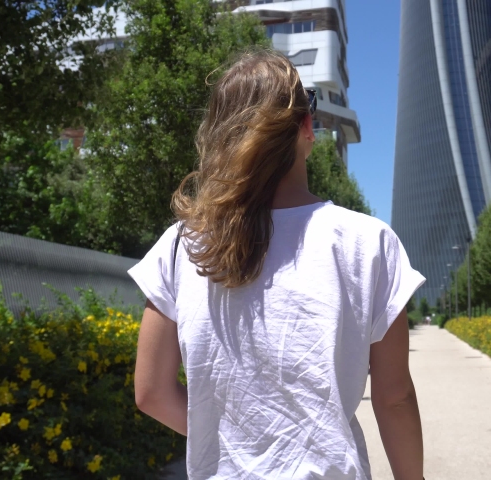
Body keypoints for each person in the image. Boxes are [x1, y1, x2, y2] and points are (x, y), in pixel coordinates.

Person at [129, 48, 426, 480]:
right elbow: (394, 397)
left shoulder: (180, 246)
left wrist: (233, 443)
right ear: (307, 127)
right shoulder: (368, 242)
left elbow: (151, 392)